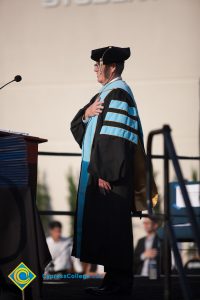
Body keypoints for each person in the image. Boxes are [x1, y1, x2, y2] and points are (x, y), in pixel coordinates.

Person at [70, 46, 158, 296]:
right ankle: (111, 282)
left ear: (112, 67)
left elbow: (115, 136)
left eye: (99, 65)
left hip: (111, 174)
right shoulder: (104, 94)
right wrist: (86, 115)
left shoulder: (118, 93)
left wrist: (105, 172)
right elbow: (81, 128)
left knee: (115, 228)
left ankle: (119, 286)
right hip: (101, 172)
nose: (96, 69)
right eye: (95, 65)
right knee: (107, 228)